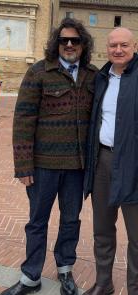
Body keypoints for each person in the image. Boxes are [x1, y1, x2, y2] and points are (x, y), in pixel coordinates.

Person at [5, 18, 97, 295]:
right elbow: (22, 120)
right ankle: (30, 276)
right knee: (37, 222)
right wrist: (23, 166)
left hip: (77, 167)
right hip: (43, 166)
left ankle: (65, 269)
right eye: (63, 40)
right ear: (55, 43)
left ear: (83, 45)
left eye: (75, 41)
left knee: (71, 220)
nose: (69, 45)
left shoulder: (93, 76)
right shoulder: (38, 72)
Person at [83, 27, 138, 295]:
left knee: (137, 237)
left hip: (134, 165)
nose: (118, 50)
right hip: (103, 160)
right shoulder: (101, 77)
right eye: (113, 45)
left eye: (124, 45)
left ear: (134, 45)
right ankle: (104, 283)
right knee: (102, 230)